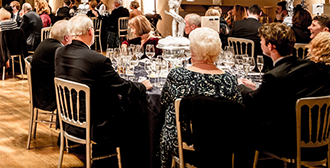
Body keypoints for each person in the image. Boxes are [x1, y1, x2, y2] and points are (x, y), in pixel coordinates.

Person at [55, 15, 151, 167]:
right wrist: (142, 86)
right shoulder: (97, 59)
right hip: (96, 123)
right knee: (138, 113)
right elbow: (122, 86)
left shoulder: (59, 53)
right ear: (90, 32)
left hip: (68, 118)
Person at [239, 23, 330, 161]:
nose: (261, 44)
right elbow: (287, 94)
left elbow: (253, 102)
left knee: (241, 123)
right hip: (318, 138)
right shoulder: (310, 66)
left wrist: (240, 86)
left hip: (288, 144)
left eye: (262, 41)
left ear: (271, 46)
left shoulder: (275, 76)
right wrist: (257, 87)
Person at [159, 27, 242, 168]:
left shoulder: (177, 75)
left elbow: (164, 102)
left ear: (192, 51)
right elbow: (238, 110)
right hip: (222, 144)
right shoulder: (230, 80)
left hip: (185, 143)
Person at [30, 20, 71, 111]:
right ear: (67, 38)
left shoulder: (45, 43)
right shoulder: (58, 50)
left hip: (38, 94)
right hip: (48, 99)